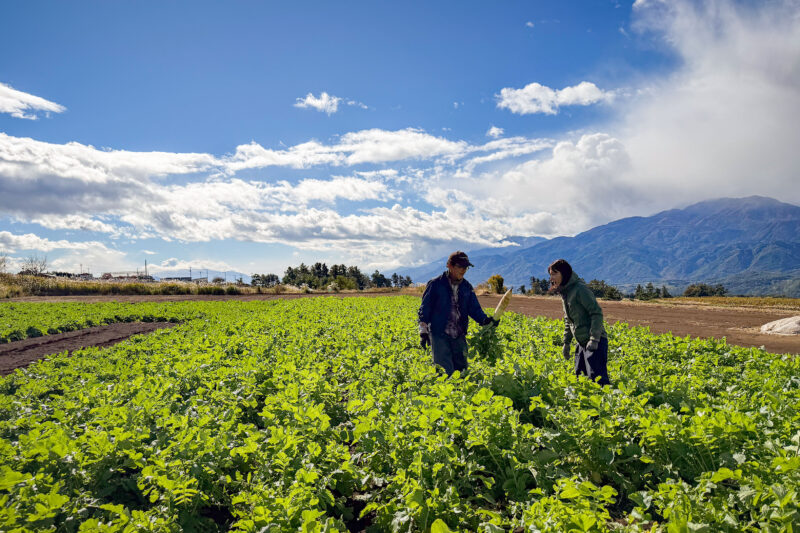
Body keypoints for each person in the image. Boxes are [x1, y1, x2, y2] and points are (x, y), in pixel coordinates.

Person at [418, 251, 498, 376]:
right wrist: (423, 331)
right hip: (440, 335)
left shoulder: (466, 287)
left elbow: (474, 309)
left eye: (465, 267)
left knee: (462, 372)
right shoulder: (435, 284)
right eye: (460, 266)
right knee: (444, 373)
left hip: (459, 335)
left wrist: (486, 321)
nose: (463, 270)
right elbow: (425, 308)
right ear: (449, 265)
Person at [548, 259, 611, 385]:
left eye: (554, 274)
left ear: (564, 273)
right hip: (581, 343)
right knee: (580, 380)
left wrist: (594, 339)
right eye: (550, 275)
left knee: (598, 382)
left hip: (595, 343)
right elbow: (568, 320)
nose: (551, 278)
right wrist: (566, 342)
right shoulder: (565, 293)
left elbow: (596, 313)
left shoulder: (579, 289)